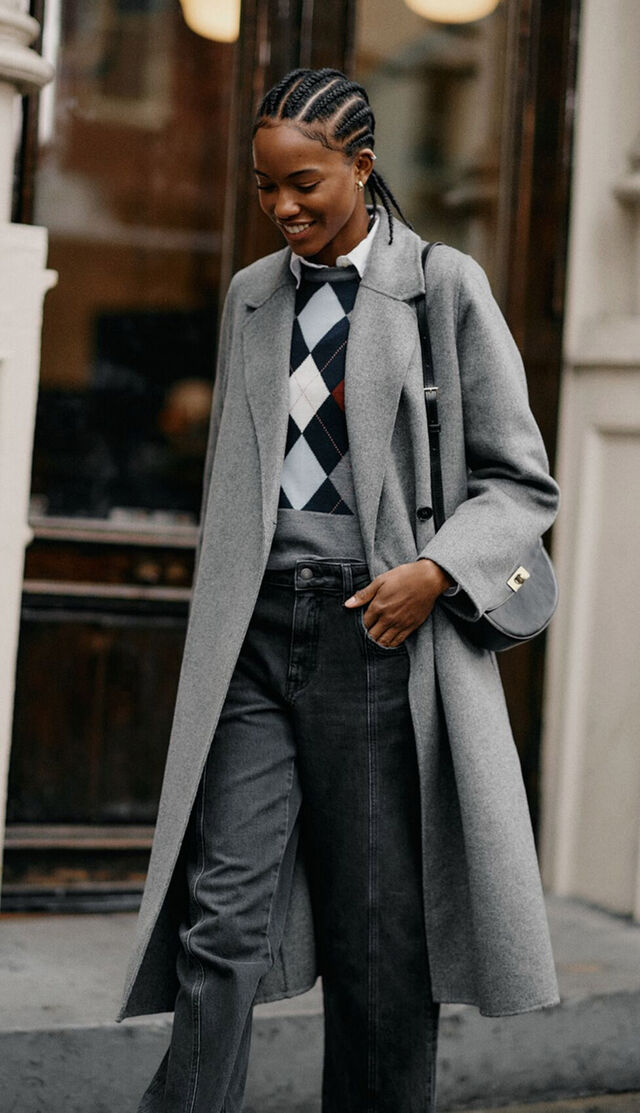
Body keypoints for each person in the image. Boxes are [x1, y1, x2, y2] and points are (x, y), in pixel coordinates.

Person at [120, 67, 561, 1113]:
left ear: (361, 166)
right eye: (265, 187)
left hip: (374, 633)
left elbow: (520, 480)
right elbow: (237, 479)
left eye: (304, 183)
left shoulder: (440, 285)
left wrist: (434, 572)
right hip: (253, 634)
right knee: (219, 921)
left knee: (377, 941)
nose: (282, 207)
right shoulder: (251, 296)